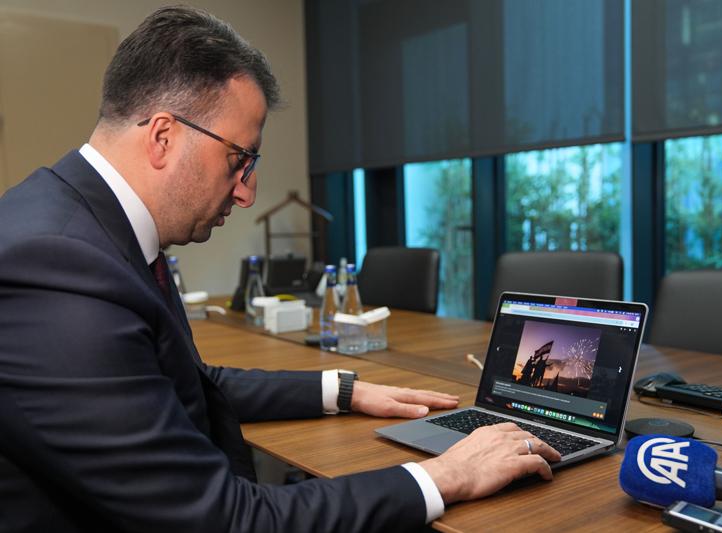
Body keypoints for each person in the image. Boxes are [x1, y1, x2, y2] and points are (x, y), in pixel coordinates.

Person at [0, 6, 559, 532]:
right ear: (163, 136)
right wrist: (445, 476)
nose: (247, 192)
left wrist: (344, 390)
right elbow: (229, 520)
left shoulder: (81, 227)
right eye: (239, 159)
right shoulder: (58, 269)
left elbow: (188, 382)